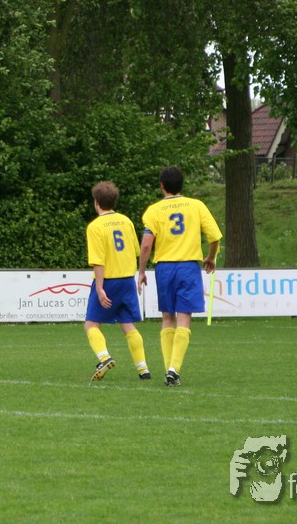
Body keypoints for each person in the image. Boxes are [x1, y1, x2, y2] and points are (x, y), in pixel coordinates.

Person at [137, 165, 222, 387]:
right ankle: (173, 369)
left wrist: (142, 271)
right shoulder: (196, 206)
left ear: (162, 186)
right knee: (184, 317)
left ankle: (170, 369)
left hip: (164, 268)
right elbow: (214, 237)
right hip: (188, 267)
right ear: (182, 185)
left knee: (168, 317)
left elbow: (146, 245)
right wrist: (211, 257)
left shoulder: (154, 210)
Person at [84, 181, 150, 383]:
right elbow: (136, 251)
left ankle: (104, 358)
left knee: (91, 324)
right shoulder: (126, 221)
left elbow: (98, 261)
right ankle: (143, 369)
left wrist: (100, 288)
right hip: (127, 281)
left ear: (96, 202)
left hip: (109, 281)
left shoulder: (95, 226)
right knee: (127, 324)